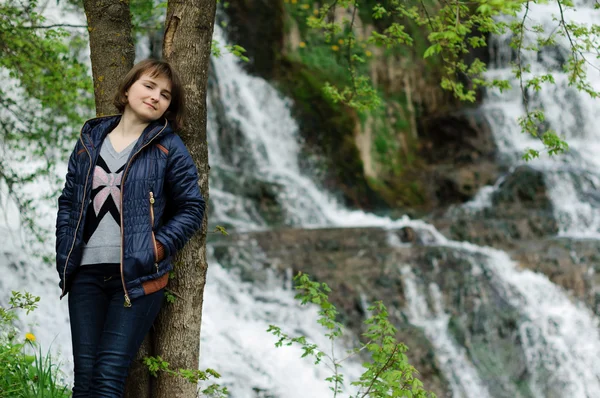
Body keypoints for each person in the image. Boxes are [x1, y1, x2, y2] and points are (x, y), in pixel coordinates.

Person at [55, 59, 205, 397]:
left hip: (136, 278)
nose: (156, 97)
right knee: (85, 379)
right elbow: (68, 200)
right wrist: (65, 247)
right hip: (85, 275)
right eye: (149, 86)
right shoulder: (90, 140)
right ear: (127, 90)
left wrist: (157, 247)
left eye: (165, 95)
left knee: (108, 377)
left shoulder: (167, 146)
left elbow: (192, 206)